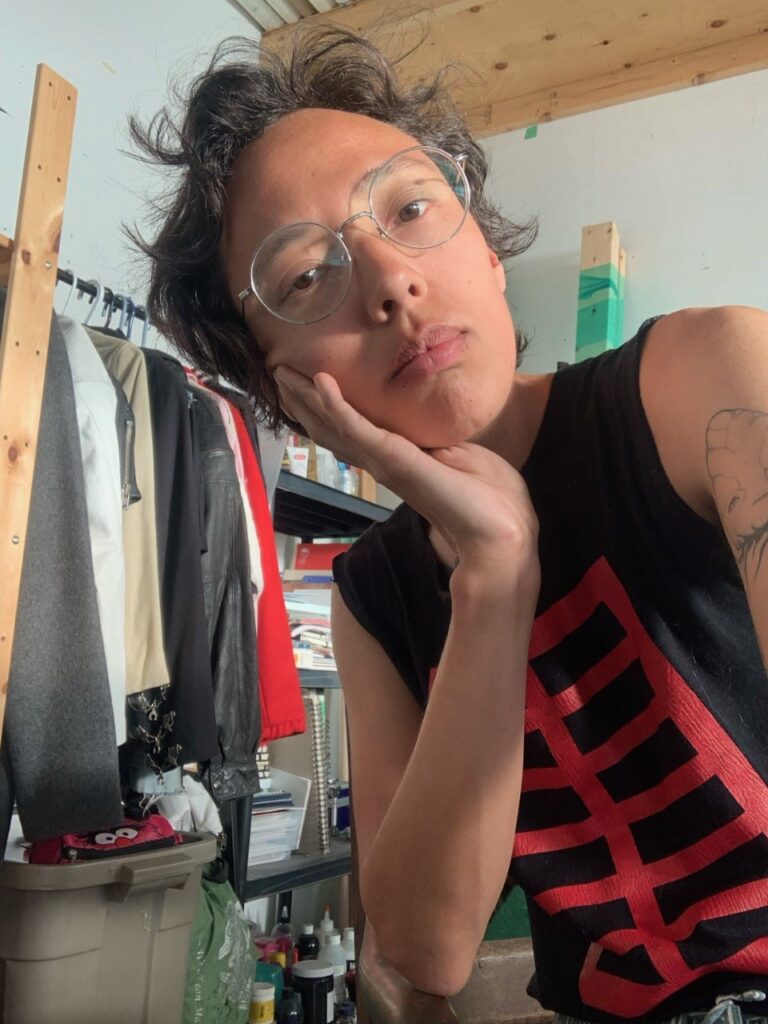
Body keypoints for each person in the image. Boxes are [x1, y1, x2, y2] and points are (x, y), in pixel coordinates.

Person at [132, 25, 768, 1024]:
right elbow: (426, 949)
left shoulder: (702, 377)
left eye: (411, 207)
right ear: (282, 388)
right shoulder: (372, 595)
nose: (390, 281)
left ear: (487, 246)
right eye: (307, 276)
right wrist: (494, 572)